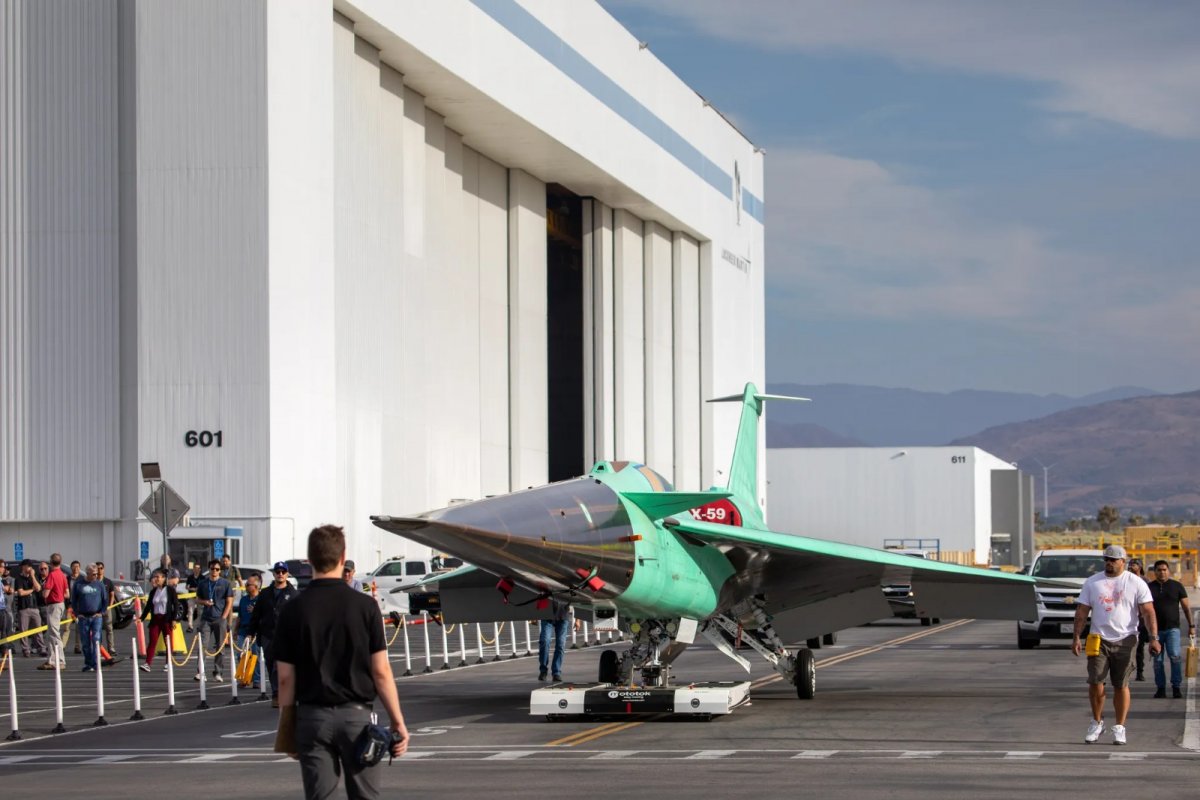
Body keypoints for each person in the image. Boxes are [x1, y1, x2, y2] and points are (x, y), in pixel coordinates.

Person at [274, 524, 408, 798]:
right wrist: (397, 721)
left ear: (309, 559)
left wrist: (287, 729)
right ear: (342, 556)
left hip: (312, 717)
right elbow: (380, 671)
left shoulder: (292, 610)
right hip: (356, 718)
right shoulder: (365, 607)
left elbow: (286, 677)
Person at [1072, 544, 1159, 746]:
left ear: (1123, 561)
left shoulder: (1136, 583)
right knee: (1095, 682)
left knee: (1121, 685)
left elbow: (1148, 612)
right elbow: (1082, 612)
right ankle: (1097, 722)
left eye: (1113, 560)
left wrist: (1154, 638)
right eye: (1106, 560)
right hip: (1098, 638)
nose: (1109, 563)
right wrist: (1076, 637)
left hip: (1126, 638)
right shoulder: (1093, 582)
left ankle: (1119, 726)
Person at [248, 561, 300, 707]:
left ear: (287, 574)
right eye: (278, 572)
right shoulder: (265, 594)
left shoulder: (294, 594)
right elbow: (257, 614)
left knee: (281, 665)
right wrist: (250, 633)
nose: (280, 574)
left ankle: (283, 693)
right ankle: (276, 692)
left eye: (283, 572)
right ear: (274, 574)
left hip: (286, 637)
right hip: (268, 635)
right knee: (271, 665)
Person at [1147, 560, 1195, 699]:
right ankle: (1160, 688)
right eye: (1159, 570)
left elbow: (1186, 608)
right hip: (1155, 631)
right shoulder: (1149, 587)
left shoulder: (1177, 586)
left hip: (1173, 629)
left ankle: (1176, 687)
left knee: (1175, 656)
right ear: (1154, 571)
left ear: (1168, 571)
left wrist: (1191, 626)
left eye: (1164, 569)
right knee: (1158, 660)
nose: (1162, 572)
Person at [195, 559, 233, 683]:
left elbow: (229, 602)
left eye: (217, 569)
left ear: (220, 571)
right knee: (202, 645)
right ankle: (201, 672)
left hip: (219, 618)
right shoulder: (203, 583)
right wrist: (204, 602)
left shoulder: (225, 583)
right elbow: (197, 599)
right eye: (212, 569)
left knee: (220, 647)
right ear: (209, 569)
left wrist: (224, 618)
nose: (214, 571)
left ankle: (218, 672)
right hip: (206, 618)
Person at [70, 564, 108, 673]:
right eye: (93, 574)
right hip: (83, 617)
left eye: (96, 574)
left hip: (96, 617)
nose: (96, 576)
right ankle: (88, 663)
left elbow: (105, 600)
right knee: (85, 643)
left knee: (96, 640)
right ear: (87, 573)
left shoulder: (99, 585)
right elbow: (73, 601)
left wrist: (101, 612)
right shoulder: (79, 584)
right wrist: (77, 614)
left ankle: (96, 664)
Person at [141, 569, 179, 672]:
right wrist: (141, 618)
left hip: (166, 619)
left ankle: (168, 663)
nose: (156, 579)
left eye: (159, 577)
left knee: (168, 642)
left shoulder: (170, 590)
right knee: (152, 641)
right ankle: (147, 663)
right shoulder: (154, 591)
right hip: (156, 620)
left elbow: (175, 604)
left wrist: (174, 619)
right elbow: (149, 605)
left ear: (164, 578)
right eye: (155, 577)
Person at [39, 555, 68, 669]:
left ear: (51, 563)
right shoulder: (63, 575)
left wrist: (45, 591)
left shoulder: (52, 575)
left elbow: (45, 593)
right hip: (60, 604)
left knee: (54, 633)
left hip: (53, 605)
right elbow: (67, 594)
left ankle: (60, 661)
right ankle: (51, 660)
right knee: (51, 633)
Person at [14, 561, 45, 658]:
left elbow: (38, 588)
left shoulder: (33, 577)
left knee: (38, 629)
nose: (30, 568)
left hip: (34, 607)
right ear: (23, 567)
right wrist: (31, 590)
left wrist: (32, 576)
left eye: (31, 567)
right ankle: (26, 649)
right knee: (24, 631)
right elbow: (21, 593)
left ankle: (41, 648)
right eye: (28, 566)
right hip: (23, 608)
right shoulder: (19, 579)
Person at [538, 598, 572, 682]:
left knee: (560, 644)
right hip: (546, 614)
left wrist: (578, 620)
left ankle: (556, 672)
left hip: (563, 615)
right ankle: (543, 670)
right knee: (545, 641)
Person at [1127, 559, 1149, 680]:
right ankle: (1127, 671)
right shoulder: (1125, 580)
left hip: (1141, 620)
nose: (1131, 566)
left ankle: (1140, 672)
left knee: (1140, 647)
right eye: (1130, 564)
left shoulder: (1145, 581)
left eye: (1134, 564)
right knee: (1128, 648)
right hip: (1128, 618)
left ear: (1140, 567)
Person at [95, 562, 118, 656]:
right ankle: (99, 648)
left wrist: (110, 605)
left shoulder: (108, 582)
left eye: (101, 568)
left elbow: (112, 594)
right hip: (96, 609)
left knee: (109, 628)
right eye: (98, 568)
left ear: (103, 569)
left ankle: (111, 648)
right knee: (98, 629)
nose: (99, 570)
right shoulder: (93, 582)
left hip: (107, 608)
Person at [67, 560, 84, 654]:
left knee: (78, 627)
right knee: (66, 627)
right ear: (71, 568)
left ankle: (77, 646)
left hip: (79, 606)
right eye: (74, 566)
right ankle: (63, 646)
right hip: (69, 606)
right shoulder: (67, 578)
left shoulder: (82, 579)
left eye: (77, 566)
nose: (76, 568)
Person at [185, 563, 203, 631]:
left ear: (200, 569)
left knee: (200, 612)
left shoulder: (202, 577)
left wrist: (198, 589)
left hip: (199, 597)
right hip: (191, 596)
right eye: (195, 568)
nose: (196, 569)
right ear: (193, 569)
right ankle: (190, 626)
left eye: (198, 568)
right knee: (190, 611)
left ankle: (199, 626)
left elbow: (204, 586)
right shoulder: (190, 577)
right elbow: (187, 587)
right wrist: (192, 589)